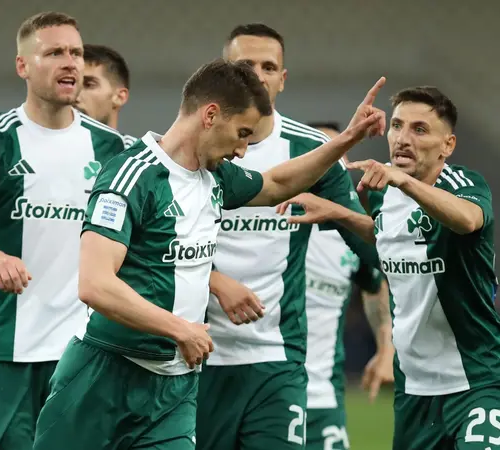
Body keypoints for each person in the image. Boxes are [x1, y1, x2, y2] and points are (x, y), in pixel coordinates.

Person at [31, 59, 386, 450]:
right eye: (242, 134)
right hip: (104, 376)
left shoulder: (214, 176)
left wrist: (345, 140)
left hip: (173, 387)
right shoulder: (131, 177)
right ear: (211, 115)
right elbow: (95, 284)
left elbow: (276, 183)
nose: (242, 150)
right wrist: (180, 328)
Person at [0, 12, 124, 450]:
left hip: (83, 353)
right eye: (54, 53)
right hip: (8, 351)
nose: (69, 62)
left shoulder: (112, 149)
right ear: (23, 65)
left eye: (76, 53)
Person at [278, 86, 500, 449]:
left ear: (447, 145)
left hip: (475, 381)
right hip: (413, 390)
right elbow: (386, 238)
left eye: (420, 129)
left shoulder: (463, 184)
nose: (403, 138)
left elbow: (468, 220)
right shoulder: (383, 194)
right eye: (397, 126)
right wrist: (338, 213)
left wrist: (406, 182)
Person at [196, 24, 381, 450]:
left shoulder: (312, 151)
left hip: (277, 357)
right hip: (200, 352)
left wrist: (346, 211)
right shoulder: (195, 150)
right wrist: (214, 280)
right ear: (223, 73)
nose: (258, 76)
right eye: (246, 65)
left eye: (269, 67)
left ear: (283, 79)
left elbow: (371, 249)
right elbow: (158, 246)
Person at [301, 122, 394, 450]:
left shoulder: (351, 237)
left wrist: (385, 348)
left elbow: (375, 285)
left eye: (339, 153)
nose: (330, 162)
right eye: (322, 151)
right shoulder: (265, 223)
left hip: (323, 398)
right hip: (262, 391)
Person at [76, 44, 137, 148]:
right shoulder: (48, 151)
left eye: (88, 85)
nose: (75, 95)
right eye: (72, 84)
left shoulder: (137, 153)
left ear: (119, 97)